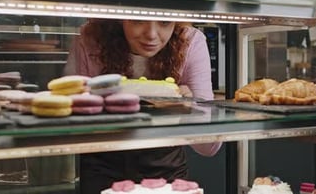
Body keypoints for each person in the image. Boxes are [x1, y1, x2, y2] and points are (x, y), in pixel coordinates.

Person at [64, 18, 221, 193]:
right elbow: (68, 125)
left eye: (165, 22)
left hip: (165, 169)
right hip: (101, 165)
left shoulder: (189, 42)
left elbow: (209, 146)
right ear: (120, 18)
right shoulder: (91, 39)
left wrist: (189, 110)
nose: (151, 35)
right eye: (138, 21)